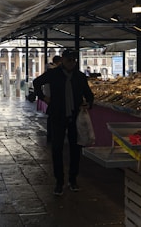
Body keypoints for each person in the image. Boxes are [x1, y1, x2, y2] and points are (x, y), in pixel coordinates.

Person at [33, 49, 94, 196]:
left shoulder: (79, 77)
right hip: (57, 115)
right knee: (57, 149)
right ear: (63, 60)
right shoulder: (54, 74)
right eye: (68, 60)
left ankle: (73, 179)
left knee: (75, 149)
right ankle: (59, 181)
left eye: (73, 60)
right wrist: (43, 97)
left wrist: (88, 104)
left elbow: (89, 95)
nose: (71, 63)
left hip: (74, 117)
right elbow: (37, 82)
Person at [43, 55, 62, 142]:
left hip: (49, 94)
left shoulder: (49, 69)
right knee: (52, 116)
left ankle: (51, 135)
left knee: (51, 116)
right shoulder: (53, 70)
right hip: (51, 95)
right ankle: (52, 135)